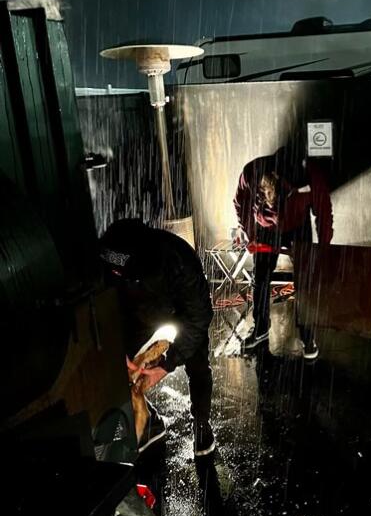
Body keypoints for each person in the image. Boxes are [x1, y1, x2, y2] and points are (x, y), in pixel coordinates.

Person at [99, 218, 217, 457]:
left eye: (122, 272)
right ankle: (149, 420)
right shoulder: (107, 257)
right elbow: (110, 306)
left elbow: (199, 318)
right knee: (122, 368)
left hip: (181, 310)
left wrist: (166, 364)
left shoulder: (179, 261)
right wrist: (120, 350)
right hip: (140, 311)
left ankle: (202, 423)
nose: (115, 274)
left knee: (198, 366)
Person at [233, 145, 333, 360]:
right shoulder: (252, 172)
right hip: (266, 229)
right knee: (260, 279)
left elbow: (324, 210)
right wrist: (250, 234)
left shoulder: (310, 176)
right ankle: (260, 330)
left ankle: (307, 335)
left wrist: (324, 247)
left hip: (297, 226)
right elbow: (240, 200)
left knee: (304, 281)